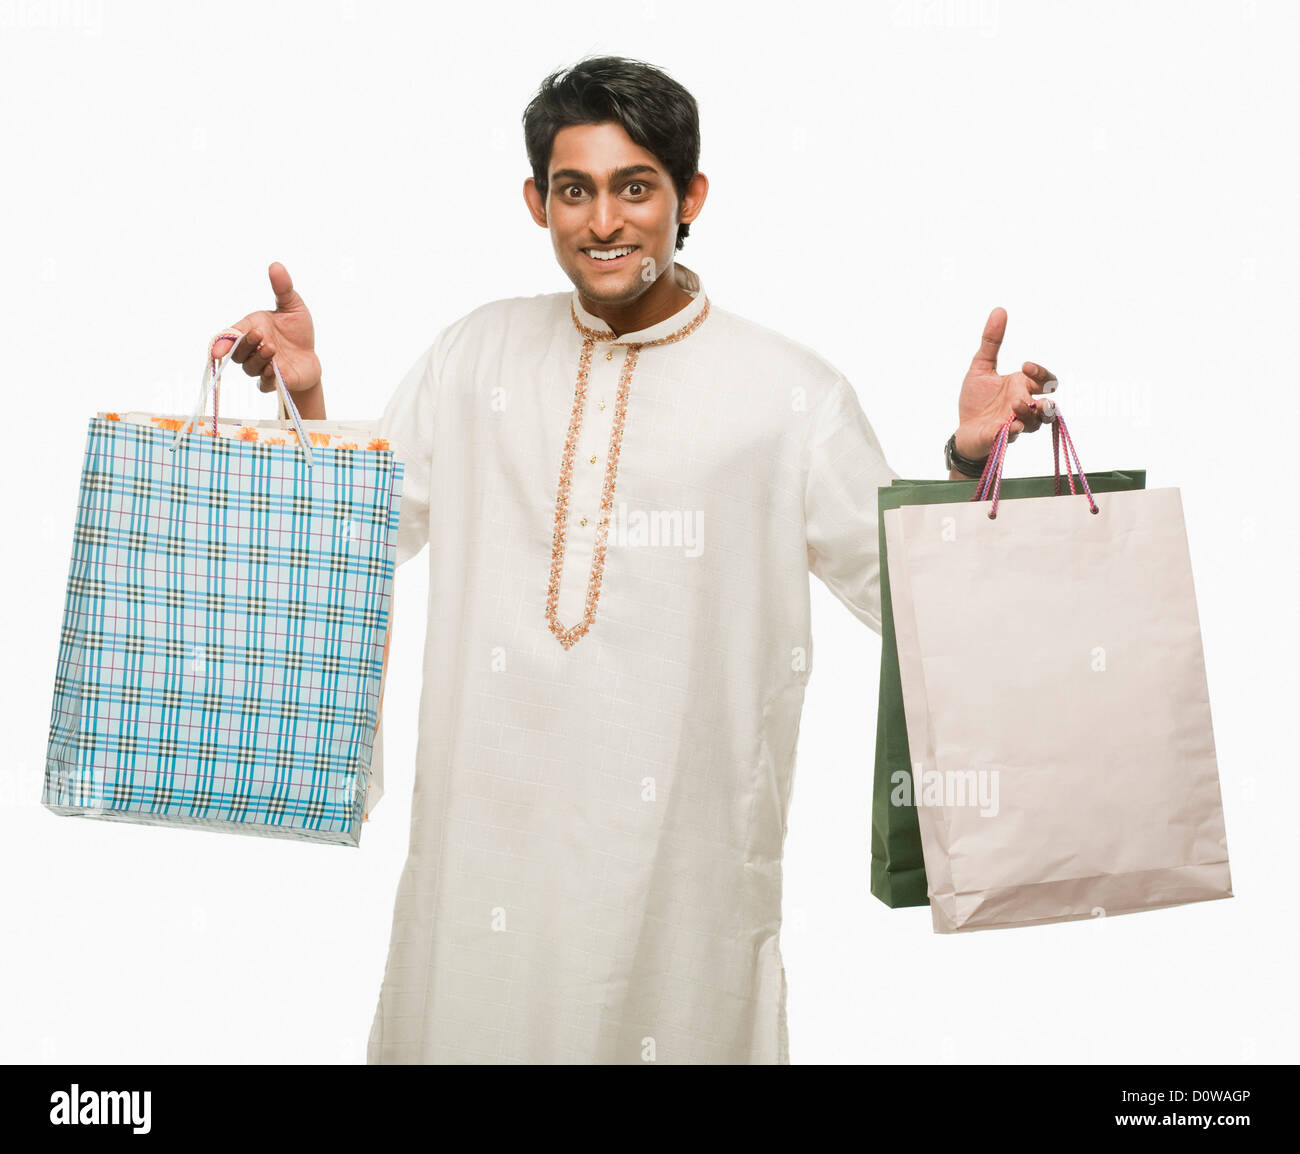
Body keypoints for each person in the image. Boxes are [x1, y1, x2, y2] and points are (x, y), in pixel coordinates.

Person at [214, 55, 1053, 1064]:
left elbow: (913, 598)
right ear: (537, 201)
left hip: (678, 887)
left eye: (634, 187)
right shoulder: (474, 356)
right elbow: (356, 539)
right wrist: (305, 402)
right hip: (483, 866)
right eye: (575, 189)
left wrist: (969, 462)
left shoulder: (786, 392)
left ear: (689, 196)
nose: (603, 220)